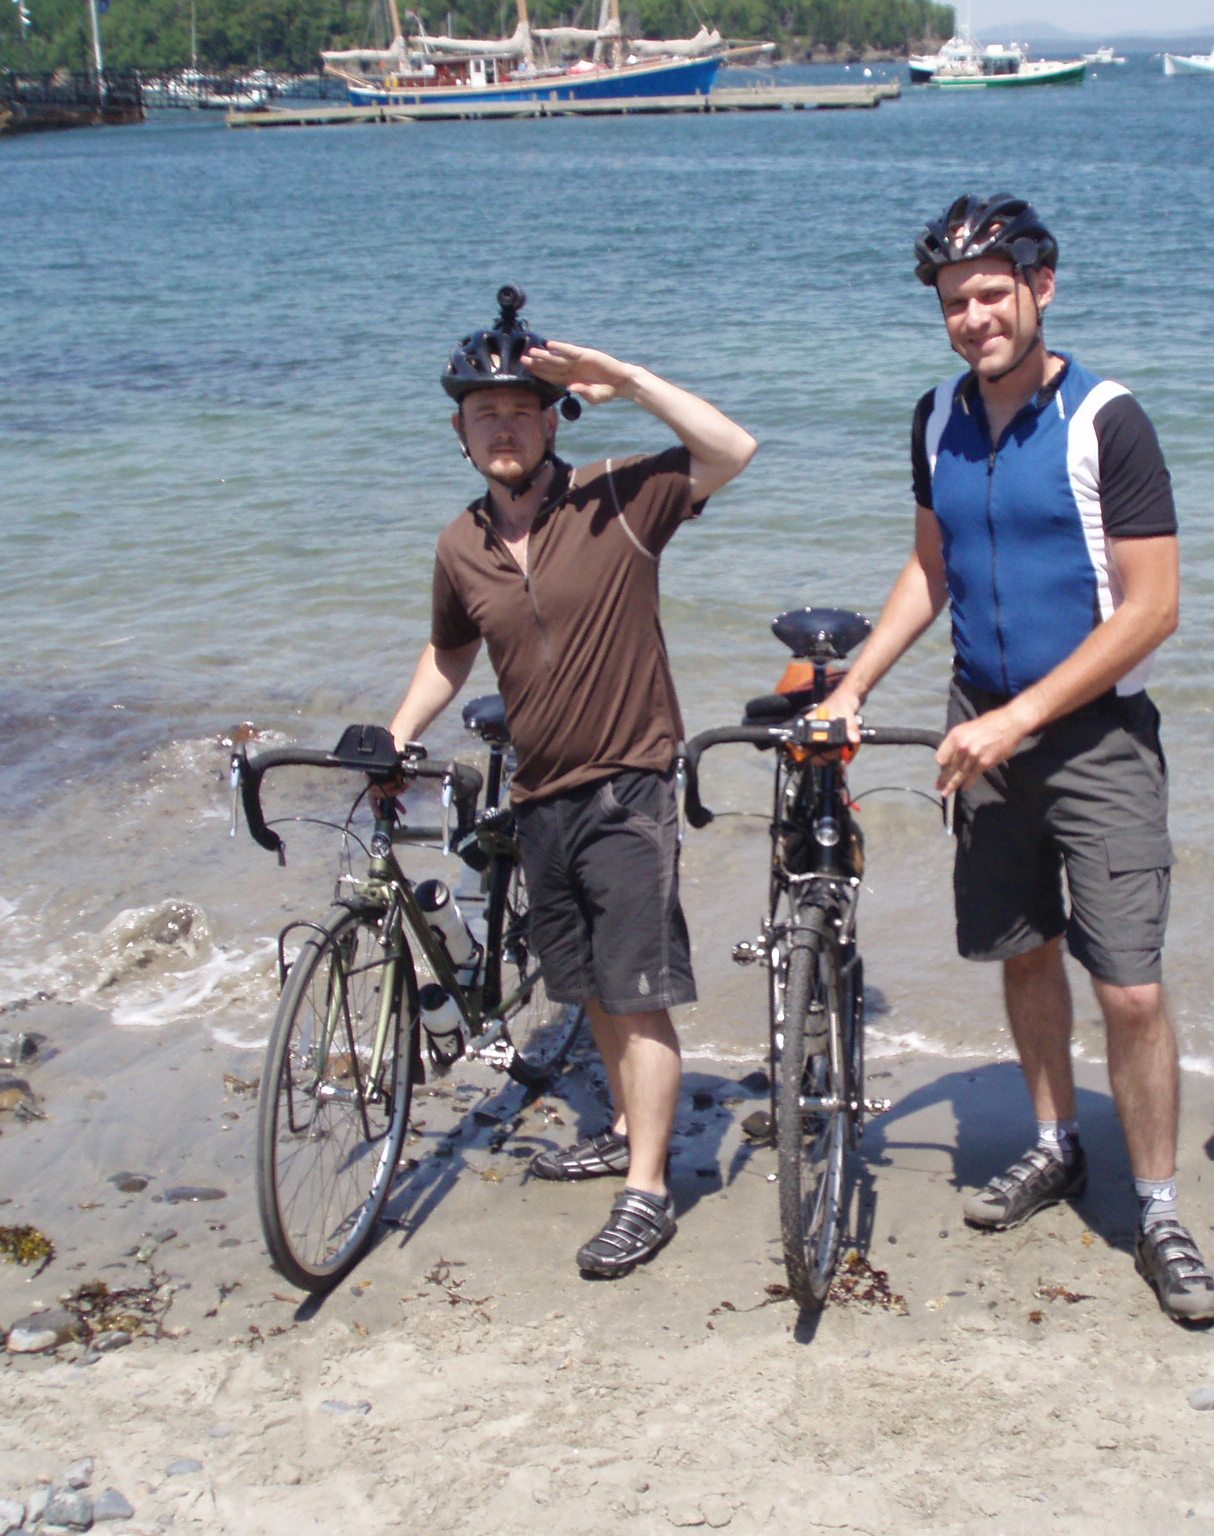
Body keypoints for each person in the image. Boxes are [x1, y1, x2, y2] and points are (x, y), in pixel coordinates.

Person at [817, 195, 1214, 1323]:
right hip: (977, 726)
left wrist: (1019, 718)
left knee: (1129, 987)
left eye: (994, 292)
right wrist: (854, 687)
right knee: (1023, 950)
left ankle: (1157, 1205)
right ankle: (1053, 1144)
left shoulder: (1106, 420)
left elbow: (1152, 611)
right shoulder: (935, 416)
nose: (974, 317)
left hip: (1092, 739)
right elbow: (927, 572)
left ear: (1043, 287)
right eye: (954, 302)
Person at [384, 286, 756, 1278]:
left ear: (553, 420)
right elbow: (447, 655)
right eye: (482, 414)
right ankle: (630, 1131)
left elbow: (732, 449)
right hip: (541, 791)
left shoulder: (618, 496)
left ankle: (647, 1192)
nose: (501, 427)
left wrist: (629, 381)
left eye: (519, 410)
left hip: (629, 777)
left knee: (636, 995)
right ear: (460, 434)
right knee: (588, 981)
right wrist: (392, 732)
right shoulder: (459, 544)